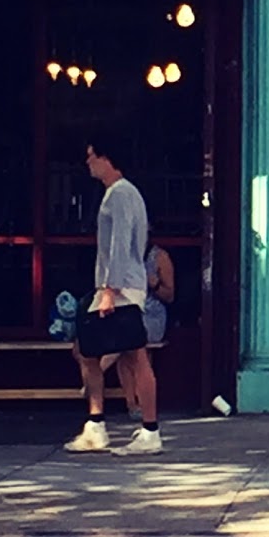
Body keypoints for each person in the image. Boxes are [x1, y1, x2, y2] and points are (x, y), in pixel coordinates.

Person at [66, 136, 162, 456]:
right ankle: (98, 425)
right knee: (89, 351)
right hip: (121, 285)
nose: (88, 162)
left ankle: (147, 430)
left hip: (119, 287)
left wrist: (109, 290)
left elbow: (119, 244)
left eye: (92, 156)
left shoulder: (120, 195)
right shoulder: (123, 194)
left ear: (107, 159)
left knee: (134, 355)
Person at [89, 235, 174, 420]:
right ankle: (132, 404)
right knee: (124, 344)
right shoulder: (122, 258)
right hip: (127, 312)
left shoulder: (159, 257)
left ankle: (95, 375)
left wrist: (156, 284)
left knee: (127, 340)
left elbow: (170, 296)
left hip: (151, 315)